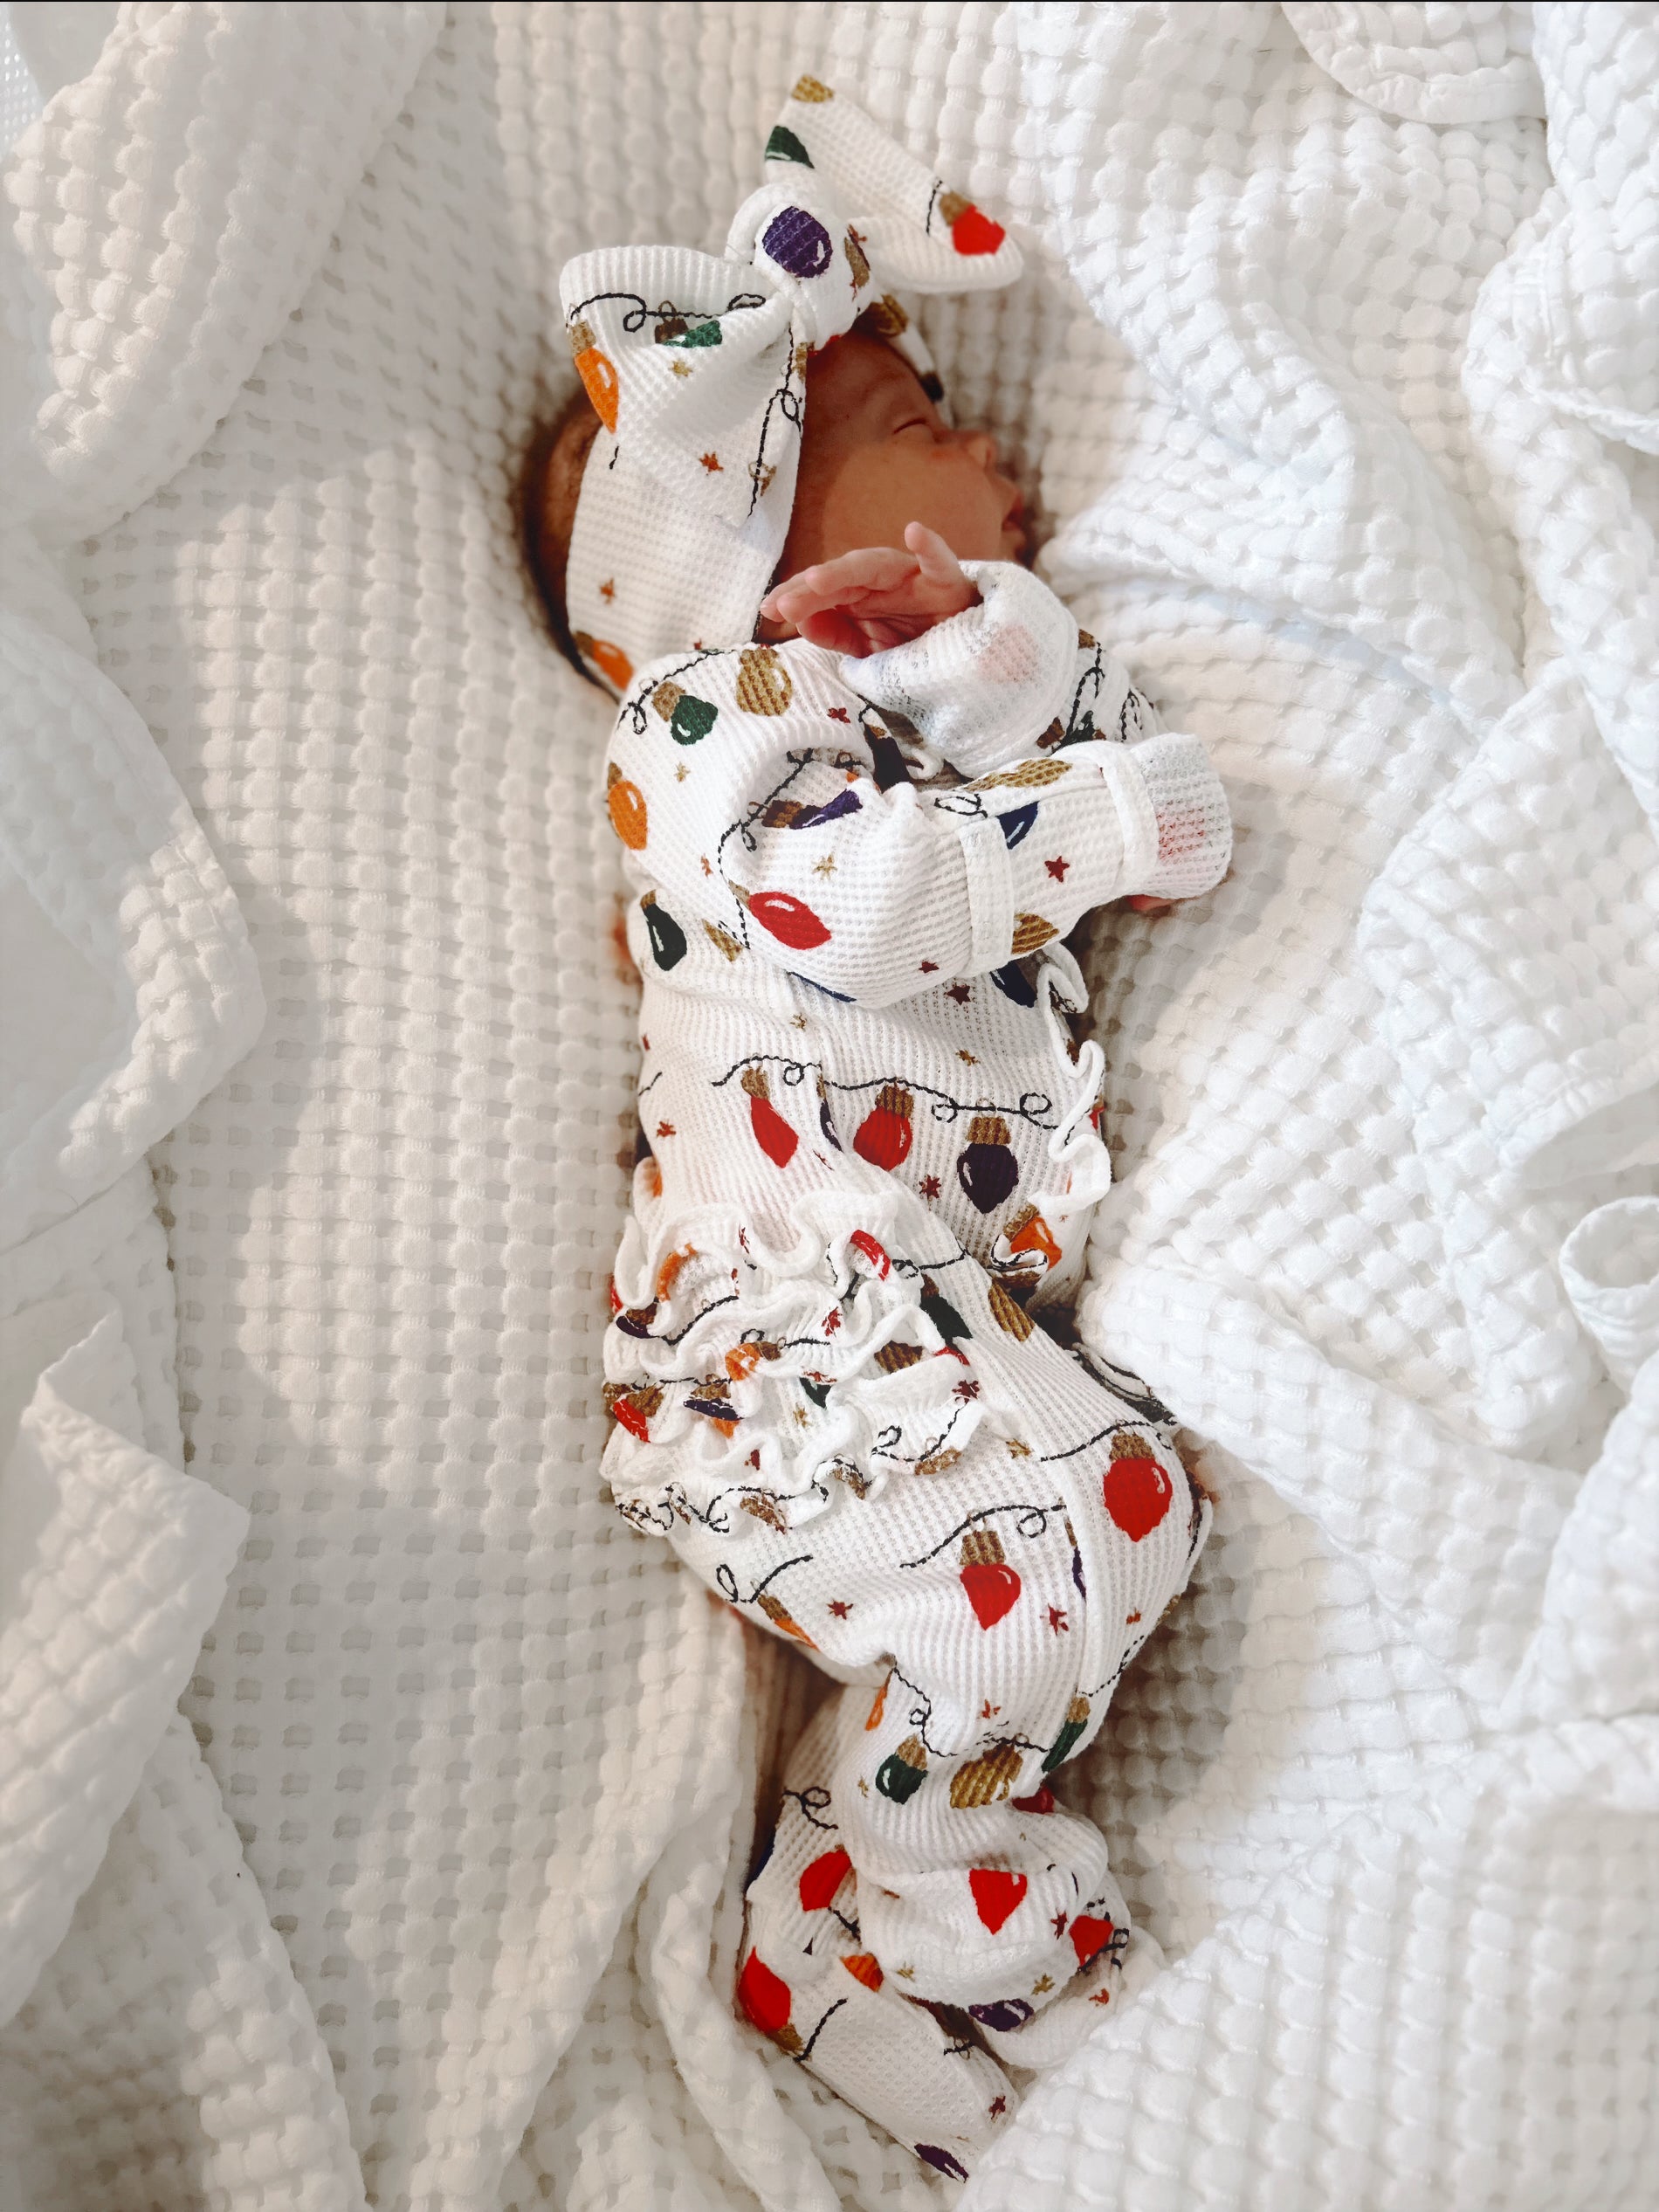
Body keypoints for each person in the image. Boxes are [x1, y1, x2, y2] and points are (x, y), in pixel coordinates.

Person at [520, 77, 1231, 2180]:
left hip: (902, 1312)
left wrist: (1000, 669)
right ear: (771, 543)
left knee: (1094, 1518)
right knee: (1089, 1518)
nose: (986, 438)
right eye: (914, 398)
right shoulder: (708, 733)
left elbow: (1060, 756)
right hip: (781, 1333)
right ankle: (880, 1901)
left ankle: (869, 1906)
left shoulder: (912, 697)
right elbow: (875, 904)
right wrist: (1094, 823)